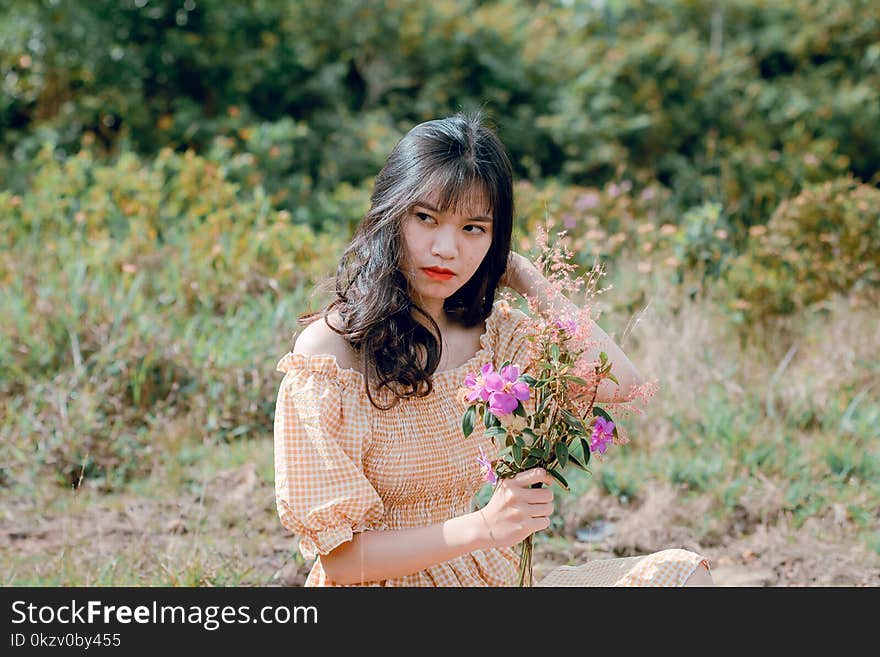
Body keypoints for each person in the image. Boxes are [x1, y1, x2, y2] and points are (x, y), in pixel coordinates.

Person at [273, 111, 713, 587]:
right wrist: (483, 527)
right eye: (426, 218)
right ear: (390, 215)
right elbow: (339, 560)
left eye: (474, 228)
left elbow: (619, 384)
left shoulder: (494, 336)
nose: (446, 248)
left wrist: (528, 278)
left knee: (680, 577)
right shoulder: (329, 354)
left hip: (483, 582)